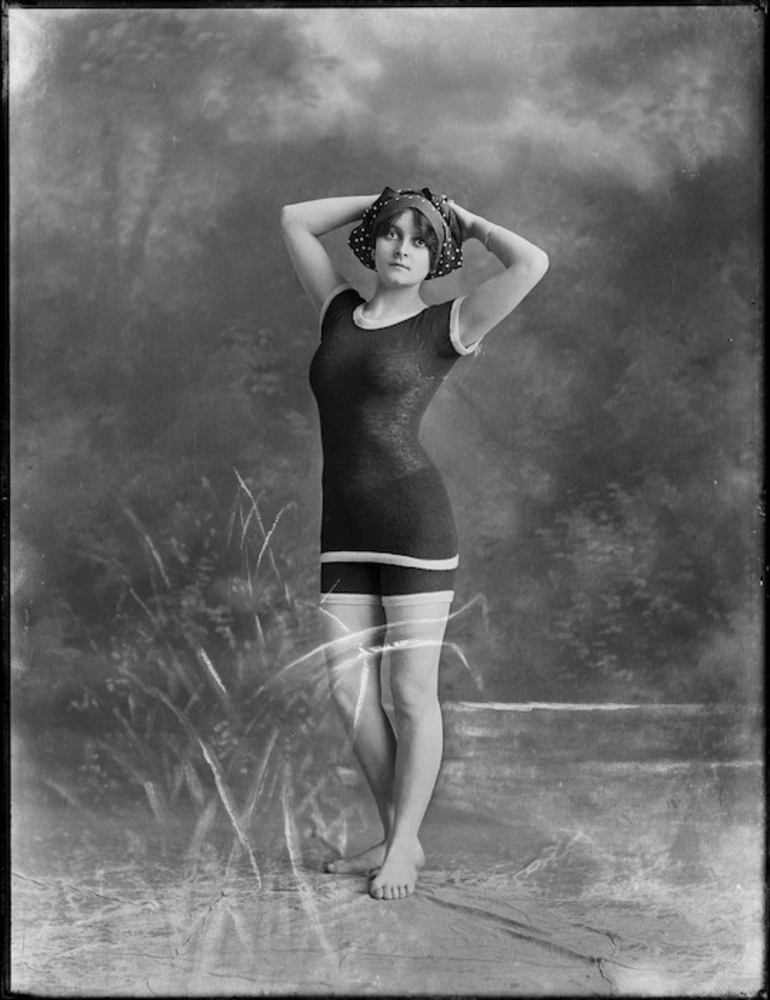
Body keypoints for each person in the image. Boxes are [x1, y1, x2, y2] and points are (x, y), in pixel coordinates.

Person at [280, 186, 548, 900]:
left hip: (413, 526)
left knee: (408, 692)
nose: (404, 247)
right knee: (346, 688)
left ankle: (402, 848)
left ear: (438, 255)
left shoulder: (447, 324)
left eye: (422, 239)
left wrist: (470, 219)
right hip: (343, 527)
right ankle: (401, 832)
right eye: (392, 233)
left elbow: (532, 264)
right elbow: (294, 221)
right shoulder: (338, 308)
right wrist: (386, 196)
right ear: (374, 241)